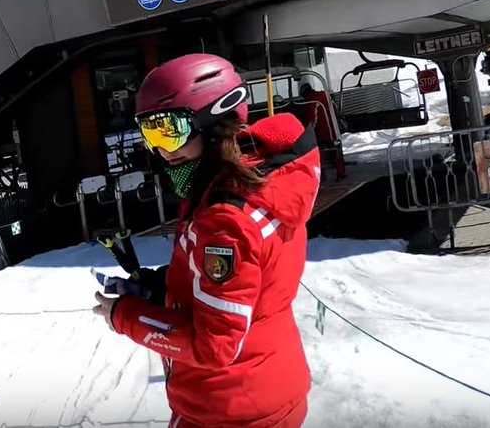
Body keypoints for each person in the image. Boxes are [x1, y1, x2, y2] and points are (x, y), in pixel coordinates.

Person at [92, 53, 320, 428]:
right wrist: (156, 287)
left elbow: (213, 346)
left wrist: (125, 317)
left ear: (213, 123)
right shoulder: (255, 182)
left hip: (228, 409)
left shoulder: (226, 220)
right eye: (150, 133)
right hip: (260, 388)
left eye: (170, 130)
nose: (163, 150)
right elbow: (241, 284)